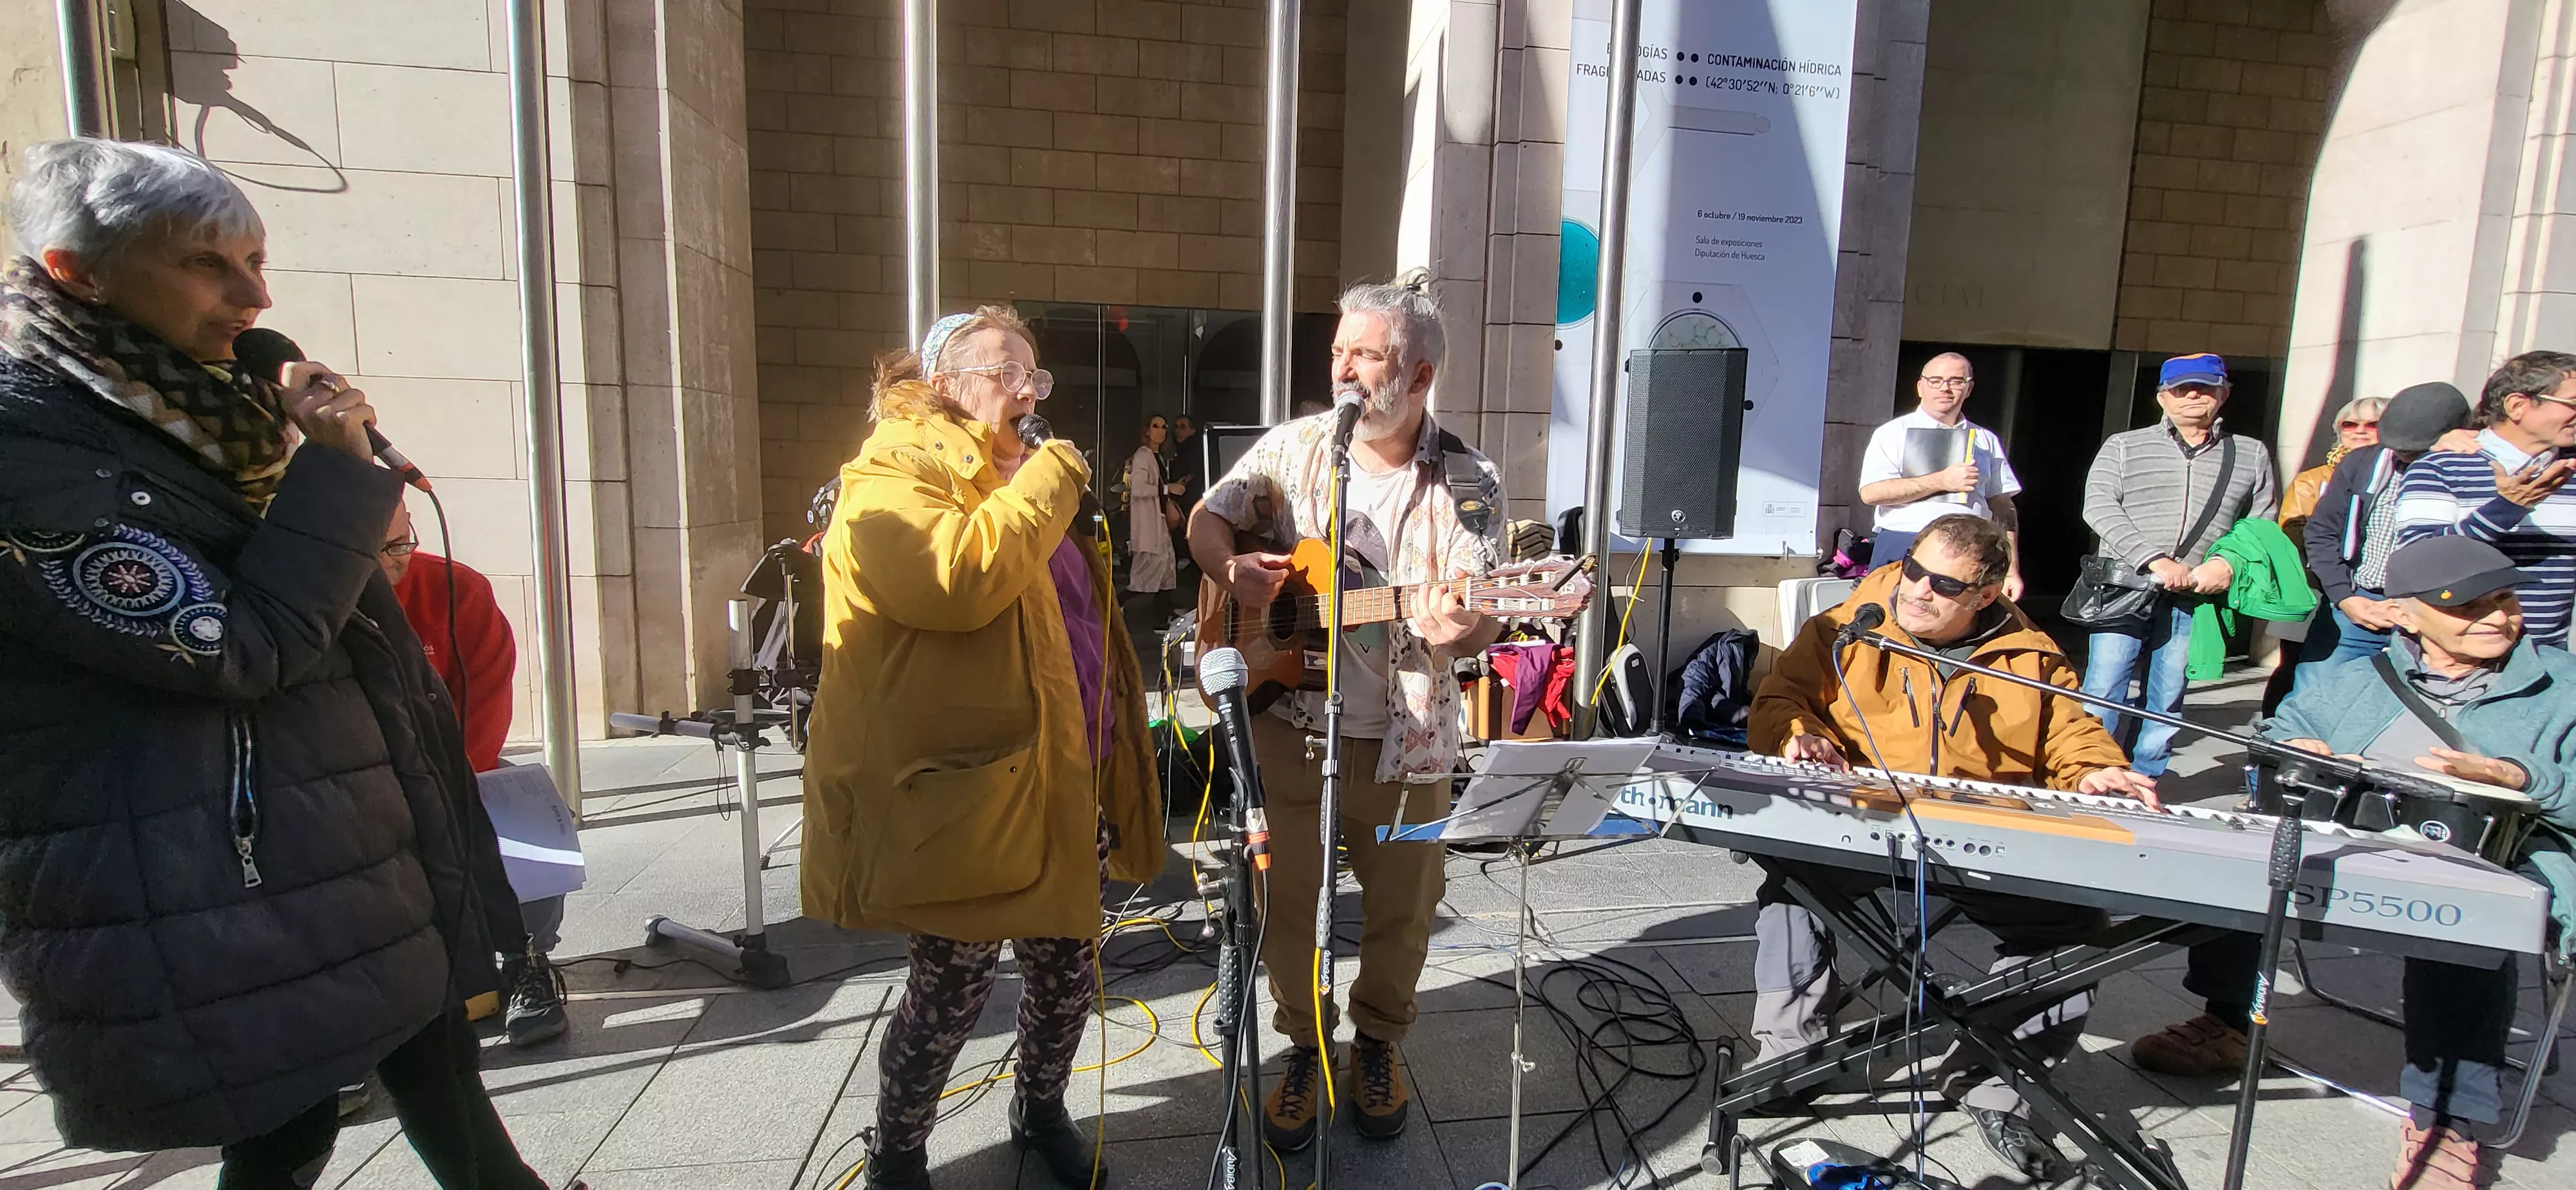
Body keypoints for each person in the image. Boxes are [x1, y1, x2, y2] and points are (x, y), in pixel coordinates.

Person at [0, 139, 564, 1187]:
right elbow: (236, 646)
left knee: (434, 1078)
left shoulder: (205, 405)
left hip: (337, 847)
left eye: (258, 262)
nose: (255, 297)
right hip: (209, 879)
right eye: (210, 265)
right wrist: (340, 481)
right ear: (78, 269)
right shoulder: (25, 436)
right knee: (291, 1128)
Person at [802, 305, 1166, 1190]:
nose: (1024, 389)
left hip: (1058, 782)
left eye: (1033, 375)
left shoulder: (1030, 486)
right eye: (1004, 369)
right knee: (949, 996)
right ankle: (897, 1149)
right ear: (943, 384)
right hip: (964, 793)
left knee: (1066, 976)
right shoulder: (893, 474)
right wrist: (1051, 480)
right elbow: (957, 578)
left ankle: (1040, 1105)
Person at [2123, 536, 2576, 1190]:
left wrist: (2519, 777)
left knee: (2468, 917)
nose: (2496, 618)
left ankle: (2448, 1114)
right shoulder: (2350, 680)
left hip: (2509, 858)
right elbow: (2272, 741)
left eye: (2503, 599)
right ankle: (2227, 1020)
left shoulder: (2561, 686)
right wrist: (2293, 752)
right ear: (2406, 615)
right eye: (2469, 607)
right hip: (2368, 844)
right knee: (2249, 861)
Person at [1188, 275, 1506, 1148]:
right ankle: (1301, 1046)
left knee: (1405, 910)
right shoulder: (1293, 449)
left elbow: (1481, 617)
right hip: (1287, 728)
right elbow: (1205, 523)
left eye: (1364, 355)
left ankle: (1377, 1044)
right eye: (1339, 352)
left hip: (1410, 742)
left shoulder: (1469, 479)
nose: (1343, 370)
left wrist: (1467, 619)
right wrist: (1230, 572)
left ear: (1420, 373)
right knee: (1287, 904)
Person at [1747, 514, 2159, 1175]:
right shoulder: (1850, 624)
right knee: (1791, 890)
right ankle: (1791, 1057)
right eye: (1913, 568)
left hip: (1978, 834)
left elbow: (2069, 736)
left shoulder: (2031, 655)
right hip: (1863, 821)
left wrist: (2093, 770)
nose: (1917, 591)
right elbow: (1780, 696)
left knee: (2075, 931)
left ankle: (1991, 1080)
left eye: (1943, 585)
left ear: (1985, 595)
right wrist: (1798, 731)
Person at [380, 501, 569, 1049]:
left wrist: (442, 786)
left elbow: (485, 705)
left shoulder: (455, 589)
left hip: (447, 767)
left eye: (402, 544)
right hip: (352, 784)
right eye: (379, 547)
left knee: (524, 808)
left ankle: (525, 961)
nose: (395, 561)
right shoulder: (310, 594)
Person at [2079, 353, 2278, 776]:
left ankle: (2148, 775)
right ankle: (2090, 771)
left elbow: (2261, 522)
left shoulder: (2250, 454)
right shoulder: (2124, 446)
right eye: (2181, 389)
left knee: (2169, 691)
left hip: (2194, 595)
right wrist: (2153, 558)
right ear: (2162, 398)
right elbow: (2098, 507)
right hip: (2124, 585)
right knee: (2104, 686)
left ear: (2223, 395)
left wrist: (2226, 564)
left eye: (2204, 388)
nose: (2192, 396)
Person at [2296, 382, 2476, 686]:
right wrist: (2344, 597)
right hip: (2362, 601)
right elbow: (2321, 531)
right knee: (2314, 693)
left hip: (2438, 606)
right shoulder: (2362, 462)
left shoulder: (2473, 464)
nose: (2403, 452)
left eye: (2415, 446)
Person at [2396, 350, 2576, 648]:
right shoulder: (2442, 466)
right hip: (2458, 660)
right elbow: (2419, 560)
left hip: (2549, 657)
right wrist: (2506, 509)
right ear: (2517, 405)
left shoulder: (2570, 467)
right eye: (2572, 404)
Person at [1855, 352, 2026, 596]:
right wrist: (1942, 481)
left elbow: (2003, 508)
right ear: (1920, 387)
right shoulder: (1892, 433)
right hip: (1904, 543)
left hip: (1971, 549)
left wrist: (2011, 571)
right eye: (1935, 380)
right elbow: (1872, 493)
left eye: (1956, 381)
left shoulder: (1986, 440)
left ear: (1969, 389)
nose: (1945, 389)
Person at [2262, 395, 2386, 712]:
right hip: (2314, 586)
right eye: (2351, 424)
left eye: (2373, 424)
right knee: (2297, 668)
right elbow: (2294, 533)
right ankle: (2273, 743)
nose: (2361, 431)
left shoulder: (2396, 476)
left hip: (2375, 592)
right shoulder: (2314, 480)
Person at [1124, 415, 1178, 597]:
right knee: (1147, 571)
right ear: (1147, 430)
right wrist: (1166, 489)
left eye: (1164, 427)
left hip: (1159, 521)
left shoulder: (1158, 457)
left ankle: (1161, 617)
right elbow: (1138, 489)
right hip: (1149, 522)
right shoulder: (1143, 456)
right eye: (1156, 426)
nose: (1161, 431)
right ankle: (1128, 609)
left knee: (1165, 567)